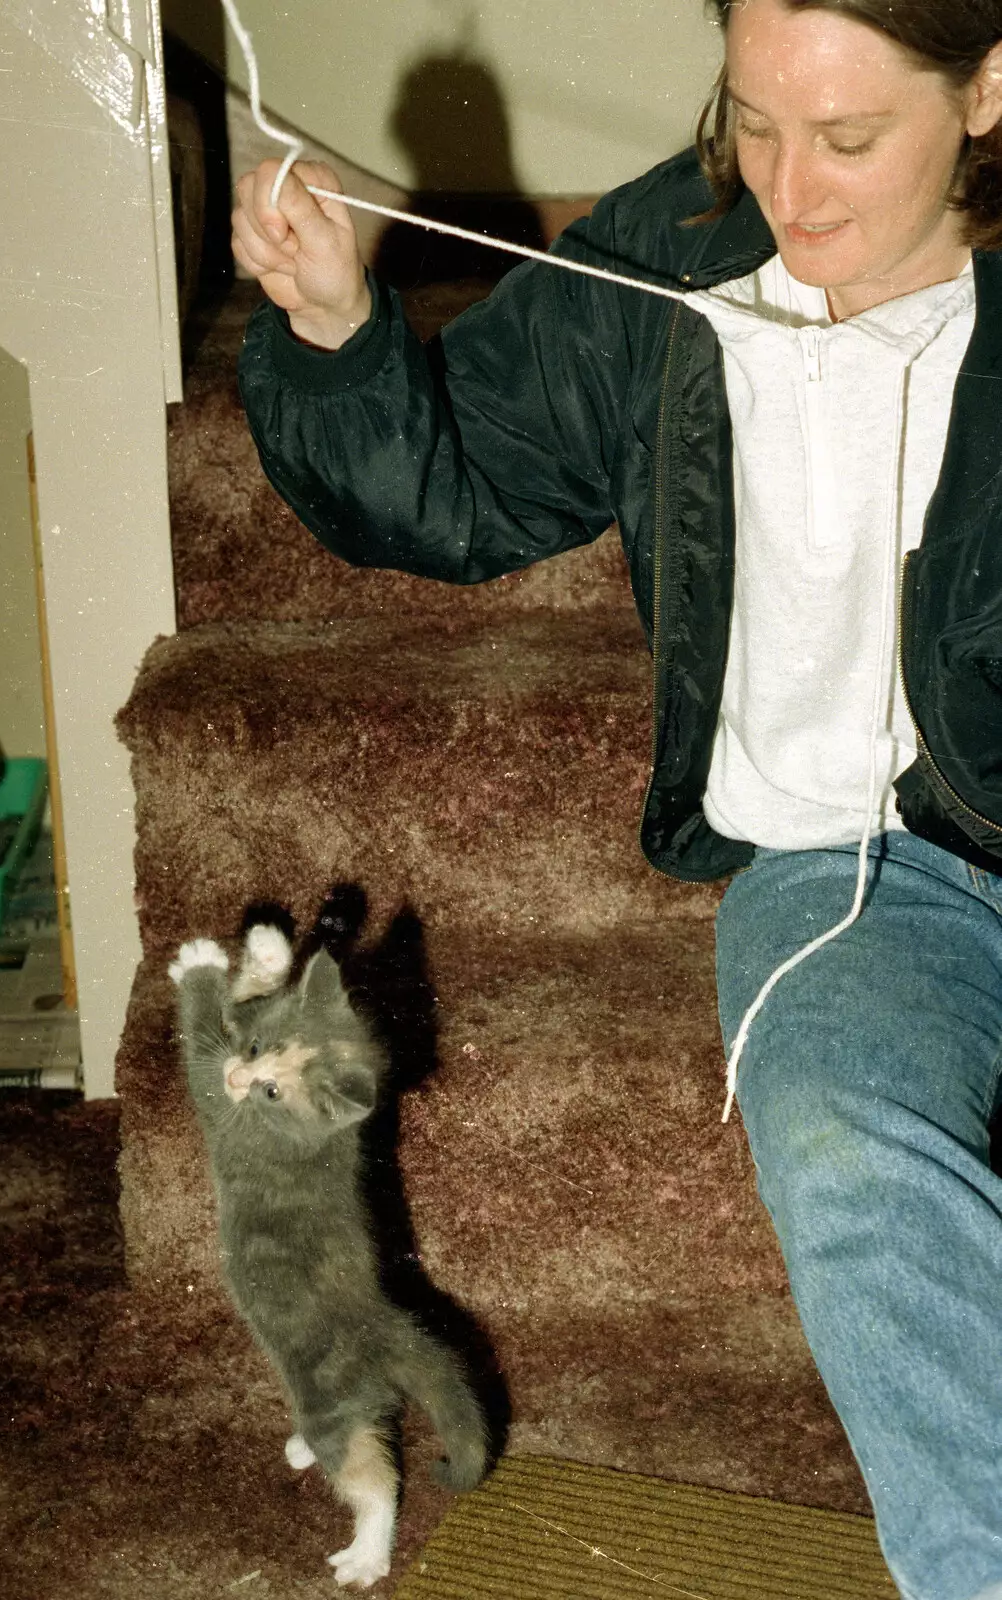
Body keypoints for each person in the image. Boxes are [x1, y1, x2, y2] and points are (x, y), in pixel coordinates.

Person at [229, 3, 1002, 1596]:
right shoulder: (680, 250)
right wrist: (331, 328)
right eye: (757, 118)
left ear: (989, 88)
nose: (792, 186)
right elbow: (451, 494)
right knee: (847, 1148)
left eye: (850, 140)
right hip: (853, 875)